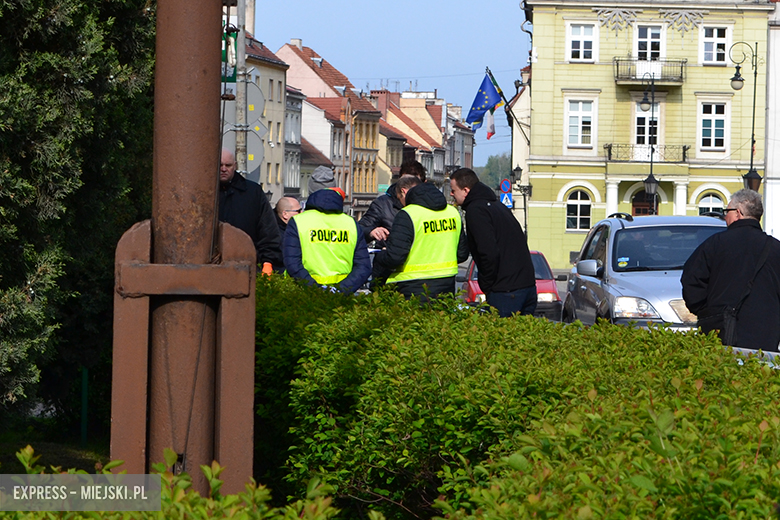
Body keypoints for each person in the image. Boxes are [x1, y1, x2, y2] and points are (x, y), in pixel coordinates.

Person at [681, 189, 780, 351]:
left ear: (738, 213)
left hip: (720, 331)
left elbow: (691, 279)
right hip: (766, 333)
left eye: (727, 211)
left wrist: (706, 311)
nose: (725, 216)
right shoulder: (775, 248)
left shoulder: (715, 244)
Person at [450, 168, 537, 317]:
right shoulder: (498, 206)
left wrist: (488, 286)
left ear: (465, 190)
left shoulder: (476, 210)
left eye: (453, 190)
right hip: (526, 286)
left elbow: (488, 251)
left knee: (501, 337)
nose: (451, 194)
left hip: (505, 290)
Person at [372, 175, 469, 300]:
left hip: (411, 286)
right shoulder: (452, 213)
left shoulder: (408, 214)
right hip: (446, 286)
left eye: (400, 198)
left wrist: (381, 255)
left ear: (405, 194)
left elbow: (395, 258)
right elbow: (462, 254)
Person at [283, 186, 371, 294]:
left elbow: (292, 263)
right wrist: (340, 290)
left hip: (303, 293)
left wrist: (315, 289)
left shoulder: (298, 221)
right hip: (342, 296)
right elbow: (363, 266)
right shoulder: (351, 223)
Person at [219, 148, 282, 274]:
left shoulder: (253, 193)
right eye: (220, 165)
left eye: (228, 165)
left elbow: (268, 231)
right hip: (213, 267)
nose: (224, 169)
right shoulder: (205, 193)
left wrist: (268, 262)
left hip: (247, 266)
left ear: (235, 166)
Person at [359, 160, 426, 247]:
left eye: (413, 183)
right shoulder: (383, 204)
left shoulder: (430, 205)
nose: (407, 189)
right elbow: (359, 229)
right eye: (405, 182)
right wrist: (371, 231)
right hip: (390, 257)